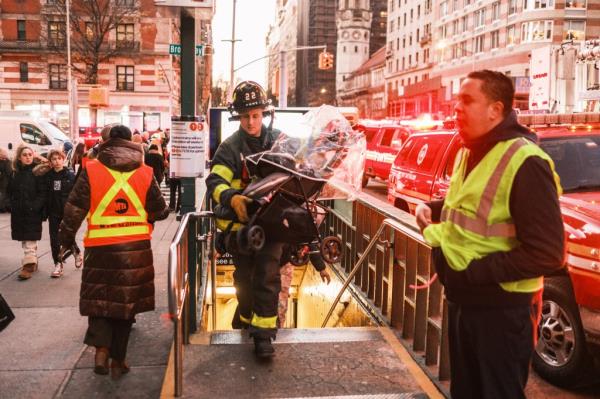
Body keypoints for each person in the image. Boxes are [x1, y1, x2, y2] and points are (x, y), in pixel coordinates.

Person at [415, 70, 565, 398]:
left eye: (467, 100)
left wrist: (472, 273)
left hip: (501, 312)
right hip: (464, 303)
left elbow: (548, 253)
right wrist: (432, 207)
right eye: (457, 100)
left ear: (495, 110)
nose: (457, 107)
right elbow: (474, 205)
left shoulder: (526, 161)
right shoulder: (469, 152)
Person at [58, 124, 168, 379]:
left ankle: (101, 349)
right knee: (124, 305)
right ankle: (119, 360)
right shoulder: (145, 171)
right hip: (135, 248)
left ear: (105, 143)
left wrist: (65, 238)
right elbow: (160, 210)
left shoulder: (92, 169)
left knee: (100, 299)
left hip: (100, 246)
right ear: (131, 142)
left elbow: (74, 207)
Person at [206, 80, 283, 358]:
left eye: (256, 115)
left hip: (271, 227)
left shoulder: (278, 142)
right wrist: (232, 198)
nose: (251, 122)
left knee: (267, 277)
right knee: (244, 281)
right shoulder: (229, 148)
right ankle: (246, 318)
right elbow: (215, 182)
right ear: (238, 117)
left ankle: (263, 339)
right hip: (240, 231)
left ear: (264, 113)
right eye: (245, 116)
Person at [35, 149, 82, 278]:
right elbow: (43, 192)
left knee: (67, 236)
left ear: (63, 159)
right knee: (54, 239)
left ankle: (76, 252)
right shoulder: (48, 176)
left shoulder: (70, 174)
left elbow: (75, 194)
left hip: (67, 212)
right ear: (50, 161)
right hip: (53, 212)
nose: (57, 161)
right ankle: (58, 264)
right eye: (54, 159)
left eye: (59, 158)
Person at [7, 145, 47, 280]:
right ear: (19, 157)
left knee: (30, 238)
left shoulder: (38, 172)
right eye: (25, 155)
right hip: (18, 211)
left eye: (30, 154)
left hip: (32, 211)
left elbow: (42, 193)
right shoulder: (15, 173)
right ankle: (32, 260)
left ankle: (28, 265)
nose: (28, 157)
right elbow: (10, 191)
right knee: (25, 239)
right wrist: (11, 204)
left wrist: (34, 207)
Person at [0, 148, 12, 212]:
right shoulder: (7, 162)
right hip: (5, 181)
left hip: (5, 180)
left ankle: (5, 207)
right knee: (5, 194)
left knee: (5, 194)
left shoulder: (6, 161)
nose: (5, 155)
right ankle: (3, 208)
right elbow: (9, 171)